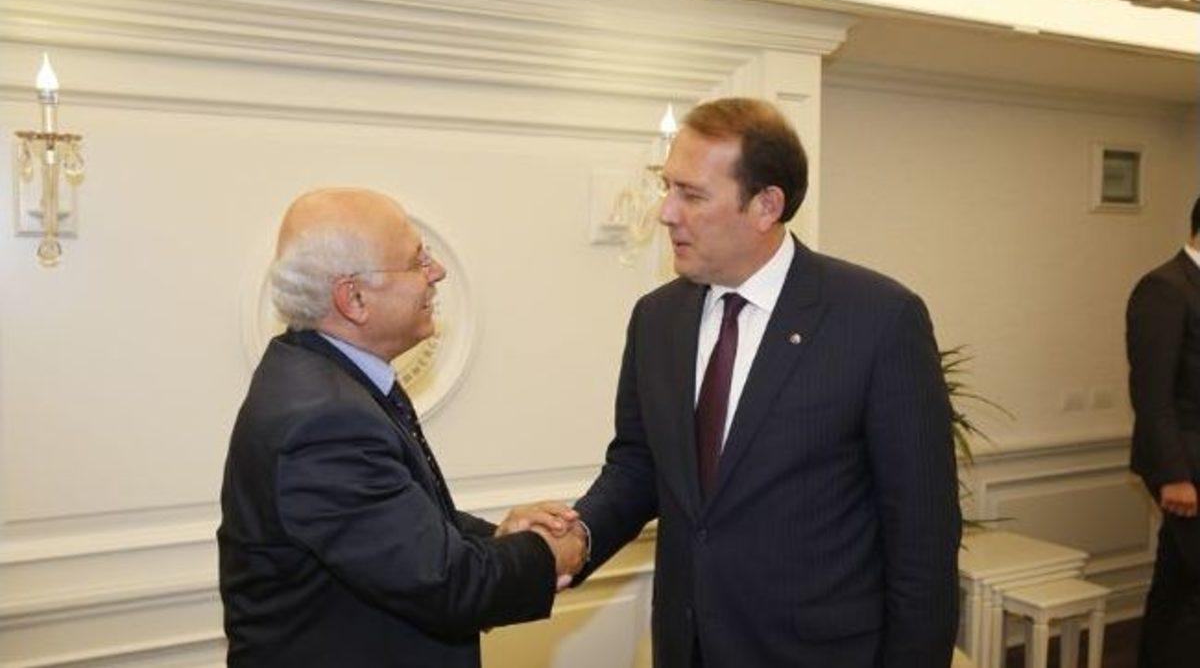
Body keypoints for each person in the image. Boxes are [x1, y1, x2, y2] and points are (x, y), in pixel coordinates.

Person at [501, 98, 961, 667]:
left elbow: (923, 535)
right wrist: (573, 541)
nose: (666, 213)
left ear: (766, 205)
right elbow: (639, 466)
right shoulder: (657, 319)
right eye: (667, 188)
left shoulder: (878, 319)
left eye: (691, 195)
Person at [218, 188, 584, 667]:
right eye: (417, 262)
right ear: (354, 298)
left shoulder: (324, 378)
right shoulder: (322, 418)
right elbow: (444, 583)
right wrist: (550, 552)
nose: (438, 271)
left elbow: (399, 523)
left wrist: (502, 537)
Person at [1126, 195, 1200, 668]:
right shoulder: (1164, 287)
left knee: (1178, 583)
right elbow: (1151, 392)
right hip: (1186, 466)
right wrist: (1174, 475)